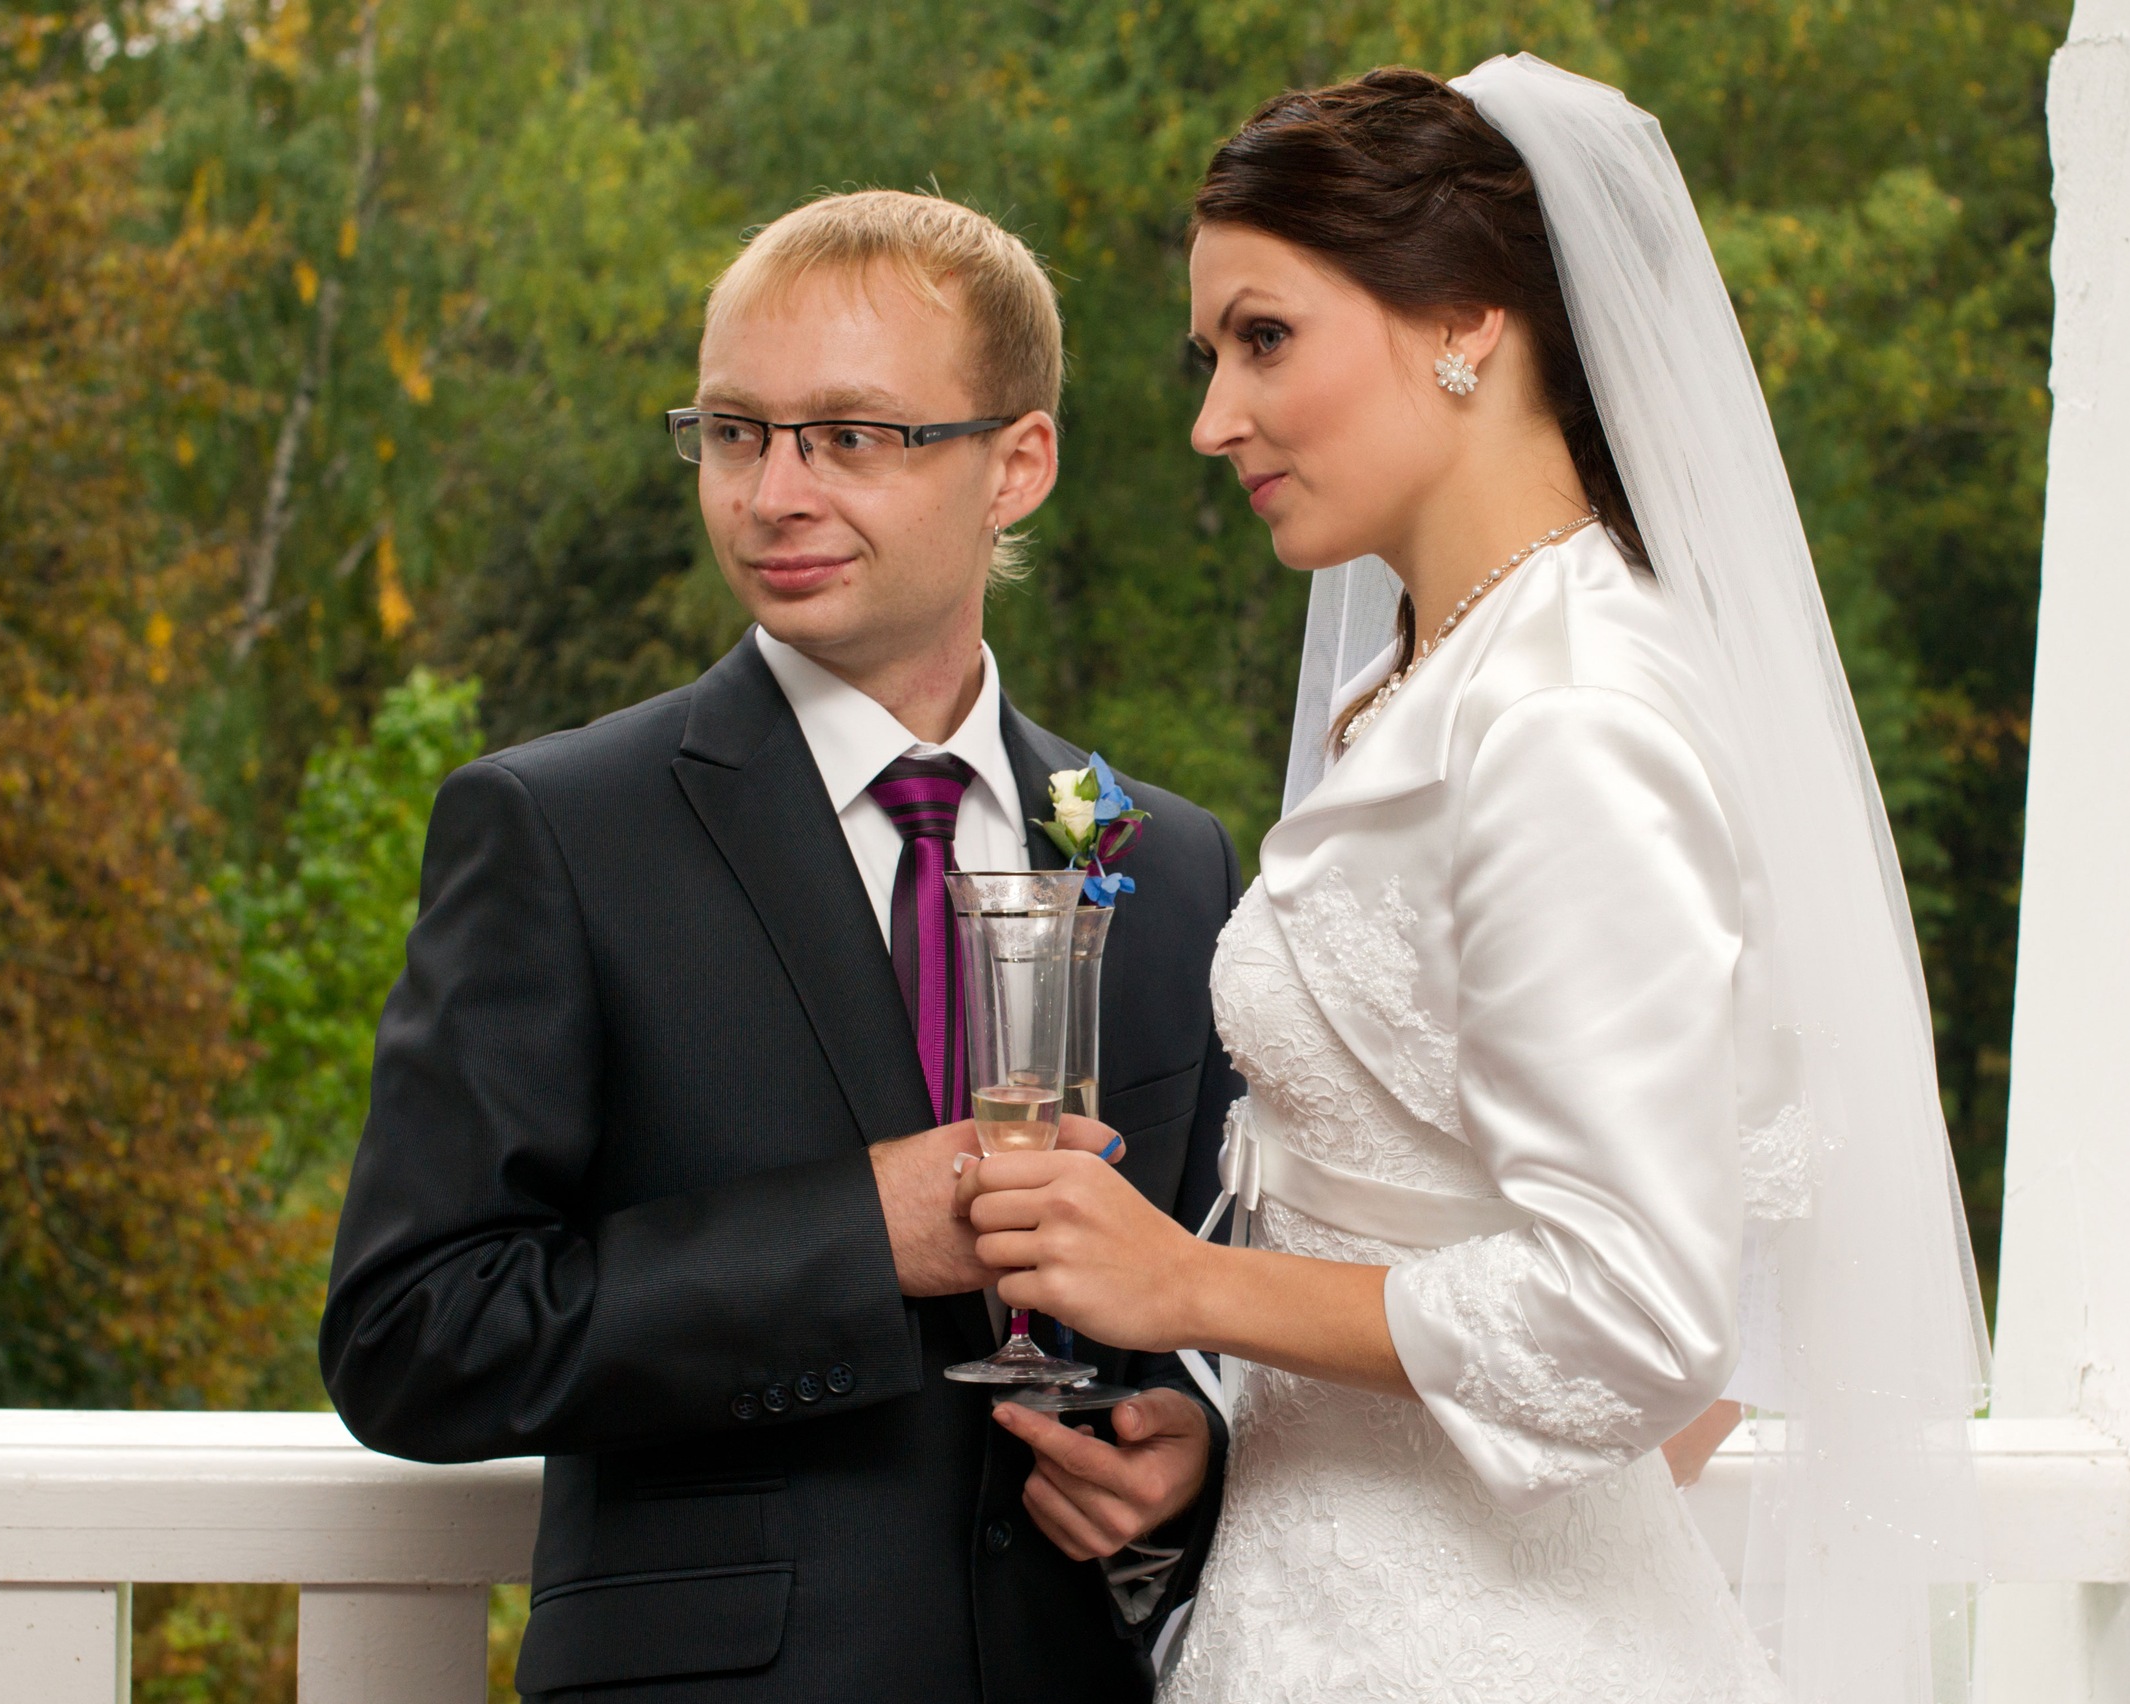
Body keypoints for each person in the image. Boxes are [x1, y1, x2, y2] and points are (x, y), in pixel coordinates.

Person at [961, 59, 1991, 1703]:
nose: (1214, 420)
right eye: (1212, 356)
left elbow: (1639, 1311)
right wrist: (1235, 1423)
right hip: (1334, 1605)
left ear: (1466, 320)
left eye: (1265, 338)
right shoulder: (1436, 682)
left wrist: (1186, 1283)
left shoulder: (1570, 718)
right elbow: (1421, 1204)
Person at [320, 190, 1243, 1704]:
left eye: (851, 437)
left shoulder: (1163, 856)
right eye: (736, 432)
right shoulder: (555, 828)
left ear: (1019, 463)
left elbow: (1214, 1289)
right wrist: (862, 1235)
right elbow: (412, 1337)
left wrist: (1191, 1449)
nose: (772, 494)